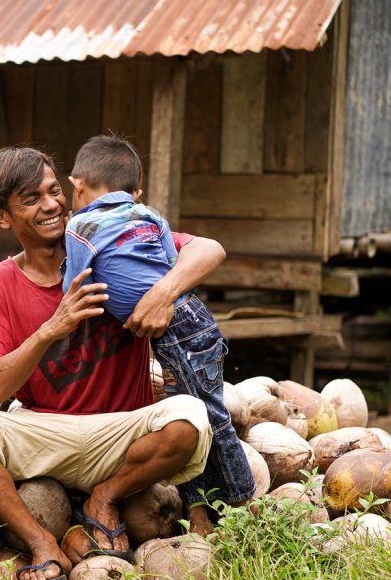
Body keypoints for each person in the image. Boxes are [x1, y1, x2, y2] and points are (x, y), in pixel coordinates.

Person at [0, 146, 225, 580]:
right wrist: (51, 329)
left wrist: (164, 291)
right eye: (31, 199)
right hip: (44, 434)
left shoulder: (110, 238)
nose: (51, 205)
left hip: (121, 432)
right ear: (1, 217)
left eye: (53, 191)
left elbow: (209, 248)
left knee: (190, 417)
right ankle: (41, 540)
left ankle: (106, 495)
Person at [62, 135, 255, 520]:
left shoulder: (80, 224)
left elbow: (72, 283)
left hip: (176, 334)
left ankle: (246, 506)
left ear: (76, 184)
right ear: (136, 190)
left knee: (210, 421)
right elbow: (171, 261)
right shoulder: (150, 215)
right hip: (193, 318)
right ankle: (203, 513)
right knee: (191, 418)